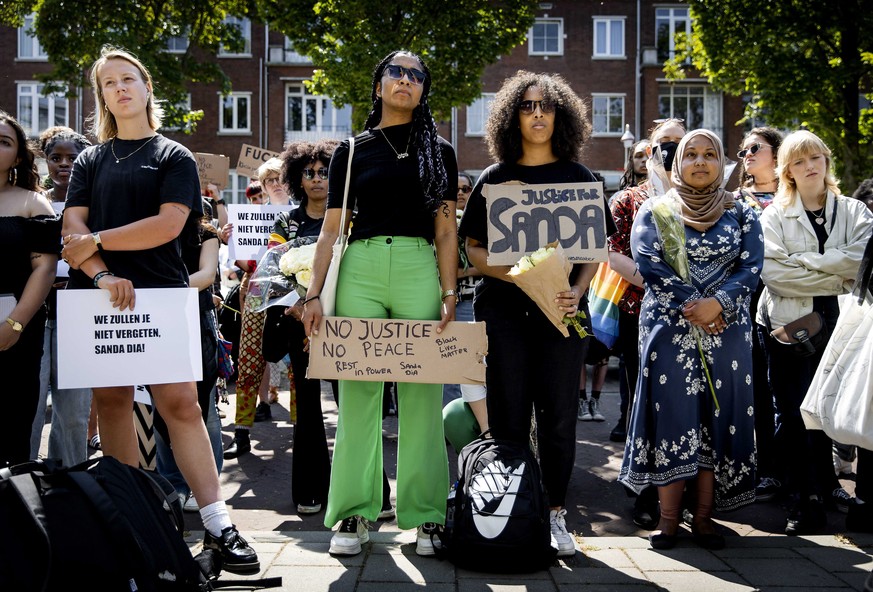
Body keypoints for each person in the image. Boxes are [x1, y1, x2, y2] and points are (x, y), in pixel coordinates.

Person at [59, 45, 258, 573]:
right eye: (108, 83)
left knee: (181, 407)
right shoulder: (88, 160)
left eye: (128, 79)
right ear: (101, 97)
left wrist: (96, 240)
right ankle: (133, 522)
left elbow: (169, 226)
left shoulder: (174, 156)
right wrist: (102, 273)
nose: (119, 88)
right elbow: (69, 231)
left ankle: (219, 523)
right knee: (114, 403)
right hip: (102, 297)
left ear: (147, 88)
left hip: (164, 296)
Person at [301, 50, 458, 557]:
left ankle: (427, 516)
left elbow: (446, 232)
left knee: (422, 400)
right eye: (397, 71)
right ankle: (352, 513)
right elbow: (330, 231)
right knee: (358, 399)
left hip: (419, 269)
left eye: (417, 75)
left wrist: (450, 292)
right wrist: (312, 294)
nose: (407, 80)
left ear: (423, 89)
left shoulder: (442, 151)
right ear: (379, 85)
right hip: (361, 270)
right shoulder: (351, 150)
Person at [458, 70, 614, 557]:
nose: (538, 113)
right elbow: (473, 249)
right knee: (507, 417)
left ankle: (556, 515)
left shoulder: (581, 177)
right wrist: (516, 274)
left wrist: (578, 289)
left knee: (560, 418)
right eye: (527, 106)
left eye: (546, 106)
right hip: (503, 314)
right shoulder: (494, 178)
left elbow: (596, 247)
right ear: (512, 116)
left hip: (563, 315)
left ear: (562, 114)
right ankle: (509, 514)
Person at [618, 129, 764, 550]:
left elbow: (751, 267)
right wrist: (695, 306)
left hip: (727, 330)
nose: (701, 162)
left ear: (721, 163)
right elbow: (650, 265)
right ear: (677, 163)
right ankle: (666, 521)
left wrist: (717, 304)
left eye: (710, 155)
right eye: (691, 155)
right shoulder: (655, 210)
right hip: (669, 330)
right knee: (674, 416)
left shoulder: (742, 213)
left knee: (714, 419)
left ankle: (703, 519)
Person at [757, 129, 873, 535]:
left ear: (827, 162)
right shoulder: (772, 215)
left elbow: (863, 262)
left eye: (816, 158)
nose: (810, 167)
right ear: (787, 171)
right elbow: (775, 276)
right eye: (799, 161)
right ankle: (803, 501)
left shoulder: (857, 212)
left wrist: (805, 262)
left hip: (847, 325)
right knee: (795, 415)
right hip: (791, 325)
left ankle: (832, 489)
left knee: (839, 410)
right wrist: (834, 271)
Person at [605, 118, 687, 527]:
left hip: (695, 321)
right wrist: (661, 284)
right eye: (664, 143)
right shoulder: (628, 200)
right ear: (651, 149)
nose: (672, 150)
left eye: (679, 142)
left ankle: (686, 490)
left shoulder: (709, 198)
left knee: (688, 408)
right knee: (645, 401)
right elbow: (613, 252)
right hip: (643, 316)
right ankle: (646, 490)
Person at [264, 138, 341, 515]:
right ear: (297, 177)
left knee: (352, 404)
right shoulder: (286, 221)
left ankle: (361, 488)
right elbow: (272, 270)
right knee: (308, 407)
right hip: (298, 323)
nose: (316, 180)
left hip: (343, 323)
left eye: (324, 172)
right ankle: (310, 490)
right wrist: (297, 306)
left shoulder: (349, 218)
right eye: (308, 173)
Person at [152, 199, 225, 512]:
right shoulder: (151, 230)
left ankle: (207, 484)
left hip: (196, 321)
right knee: (163, 407)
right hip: (158, 322)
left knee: (201, 407)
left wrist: (157, 289)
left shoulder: (206, 234)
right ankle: (174, 483)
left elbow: (207, 275)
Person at [29, 127, 94, 467]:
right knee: (30, 401)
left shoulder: (95, 205)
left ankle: (68, 479)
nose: (64, 164)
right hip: (35, 314)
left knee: (73, 410)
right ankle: (22, 477)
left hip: (78, 315)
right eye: (56, 158)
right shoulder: (31, 200)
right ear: (46, 162)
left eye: (73, 158)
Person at [0, 111, 60, 467]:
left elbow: (45, 268)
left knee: (10, 433)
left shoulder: (32, 203)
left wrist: (14, 326)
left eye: (4, 142)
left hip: (15, 335)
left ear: (20, 156)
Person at [733, 127, 784, 504]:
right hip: (748, 304)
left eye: (755, 148)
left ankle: (813, 474)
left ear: (777, 154)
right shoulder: (734, 201)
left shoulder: (794, 198)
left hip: (792, 301)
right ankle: (766, 470)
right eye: (743, 150)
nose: (746, 155)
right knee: (761, 389)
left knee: (795, 388)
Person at [223, 172, 286, 459]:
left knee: (300, 367)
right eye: (268, 178)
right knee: (248, 359)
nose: (274, 183)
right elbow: (242, 263)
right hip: (257, 293)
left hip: (292, 296)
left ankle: (303, 430)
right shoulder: (250, 217)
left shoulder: (298, 212)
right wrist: (231, 241)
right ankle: (242, 432)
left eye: (279, 177)